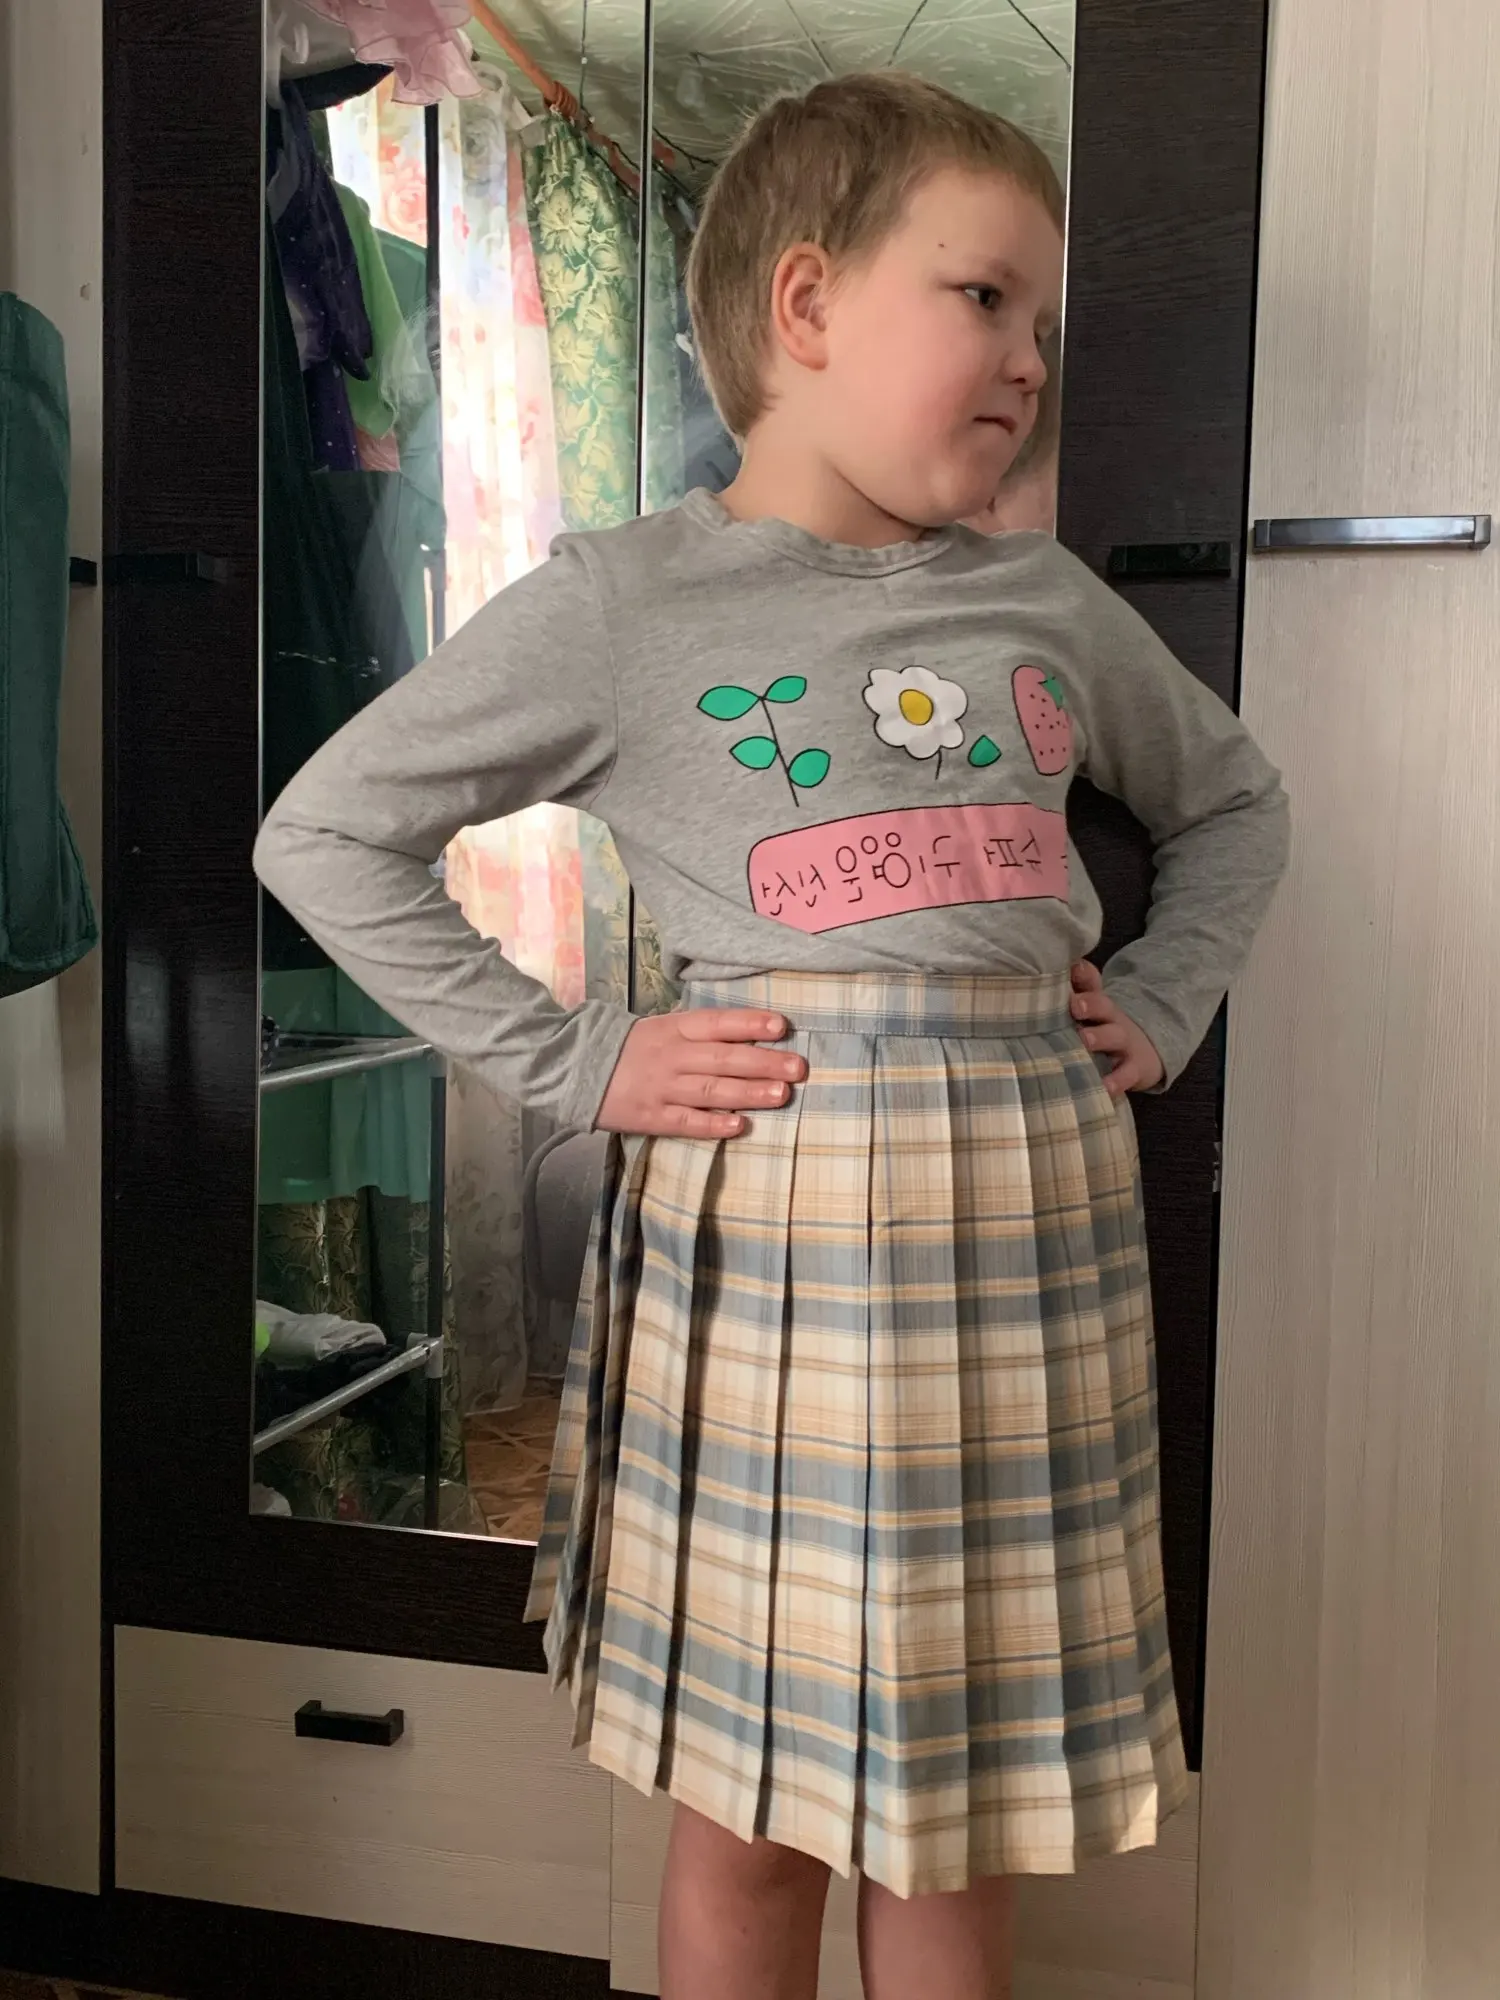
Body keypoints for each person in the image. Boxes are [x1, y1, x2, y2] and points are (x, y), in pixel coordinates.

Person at [255, 70, 1289, 2000]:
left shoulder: (1047, 599)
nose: (1031, 359)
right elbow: (324, 834)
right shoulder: (628, 602)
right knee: (746, 1822)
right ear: (807, 305)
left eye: (1046, 322)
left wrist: (1159, 1001)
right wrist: (581, 1062)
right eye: (984, 297)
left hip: (1031, 1247)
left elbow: (1234, 802)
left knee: (961, 1808)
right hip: (770, 1244)